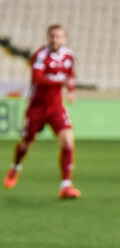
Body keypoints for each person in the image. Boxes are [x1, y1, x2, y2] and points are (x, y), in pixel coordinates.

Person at [4, 24, 80, 198]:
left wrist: (71, 90)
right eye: (52, 36)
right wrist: (61, 83)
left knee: (68, 142)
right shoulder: (40, 55)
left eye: (59, 36)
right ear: (48, 37)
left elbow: (70, 74)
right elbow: (39, 79)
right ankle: (15, 167)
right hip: (37, 107)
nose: (55, 39)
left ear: (64, 38)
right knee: (27, 143)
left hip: (56, 107)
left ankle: (66, 186)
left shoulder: (69, 56)